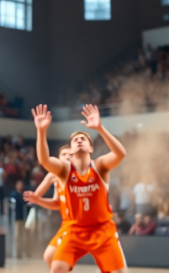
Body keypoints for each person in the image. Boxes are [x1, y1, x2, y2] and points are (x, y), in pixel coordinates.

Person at [33, 104, 128, 273]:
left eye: (83, 138)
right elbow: (45, 160)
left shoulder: (99, 166)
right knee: (56, 268)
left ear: (91, 148)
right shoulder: (64, 170)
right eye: (75, 140)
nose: (78, 140)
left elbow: (120, 154)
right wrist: (41, 132)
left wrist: (100, 128)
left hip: (102, 230)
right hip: (75, 230)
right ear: (71, 148)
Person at [22, 145, 73, 267]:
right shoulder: (54, 175)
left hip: (89, 222)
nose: (67, 157)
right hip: (69, 222)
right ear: (58, 159)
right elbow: (55, 203)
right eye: (64, 154)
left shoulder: (81, 172)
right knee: (50, 257)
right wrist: (36, 199)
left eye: (71, 155)